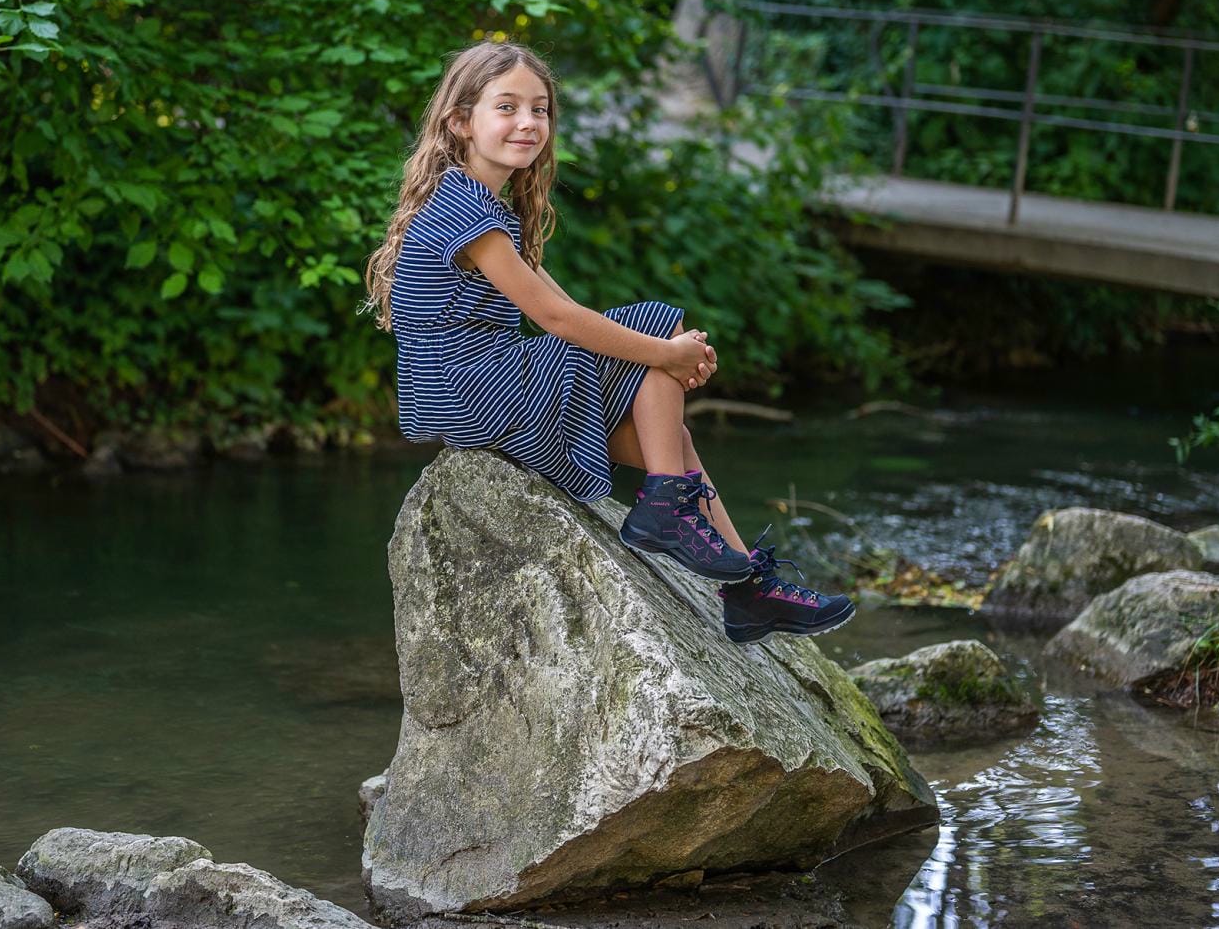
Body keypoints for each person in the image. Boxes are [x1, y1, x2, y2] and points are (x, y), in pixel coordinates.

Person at [361, 40, 854, 641]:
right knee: (654, 327)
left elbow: (570, 308)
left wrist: (670, 358)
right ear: (461, 122)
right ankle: (667, 508)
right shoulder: (467, 213)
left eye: (539, 109)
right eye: (507, 107)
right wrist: (669, 351)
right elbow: (559, 322)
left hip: (474, 389)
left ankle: (749, 591)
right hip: (472, 388)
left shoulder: (484, 201)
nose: (527, 122)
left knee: (667, 432)